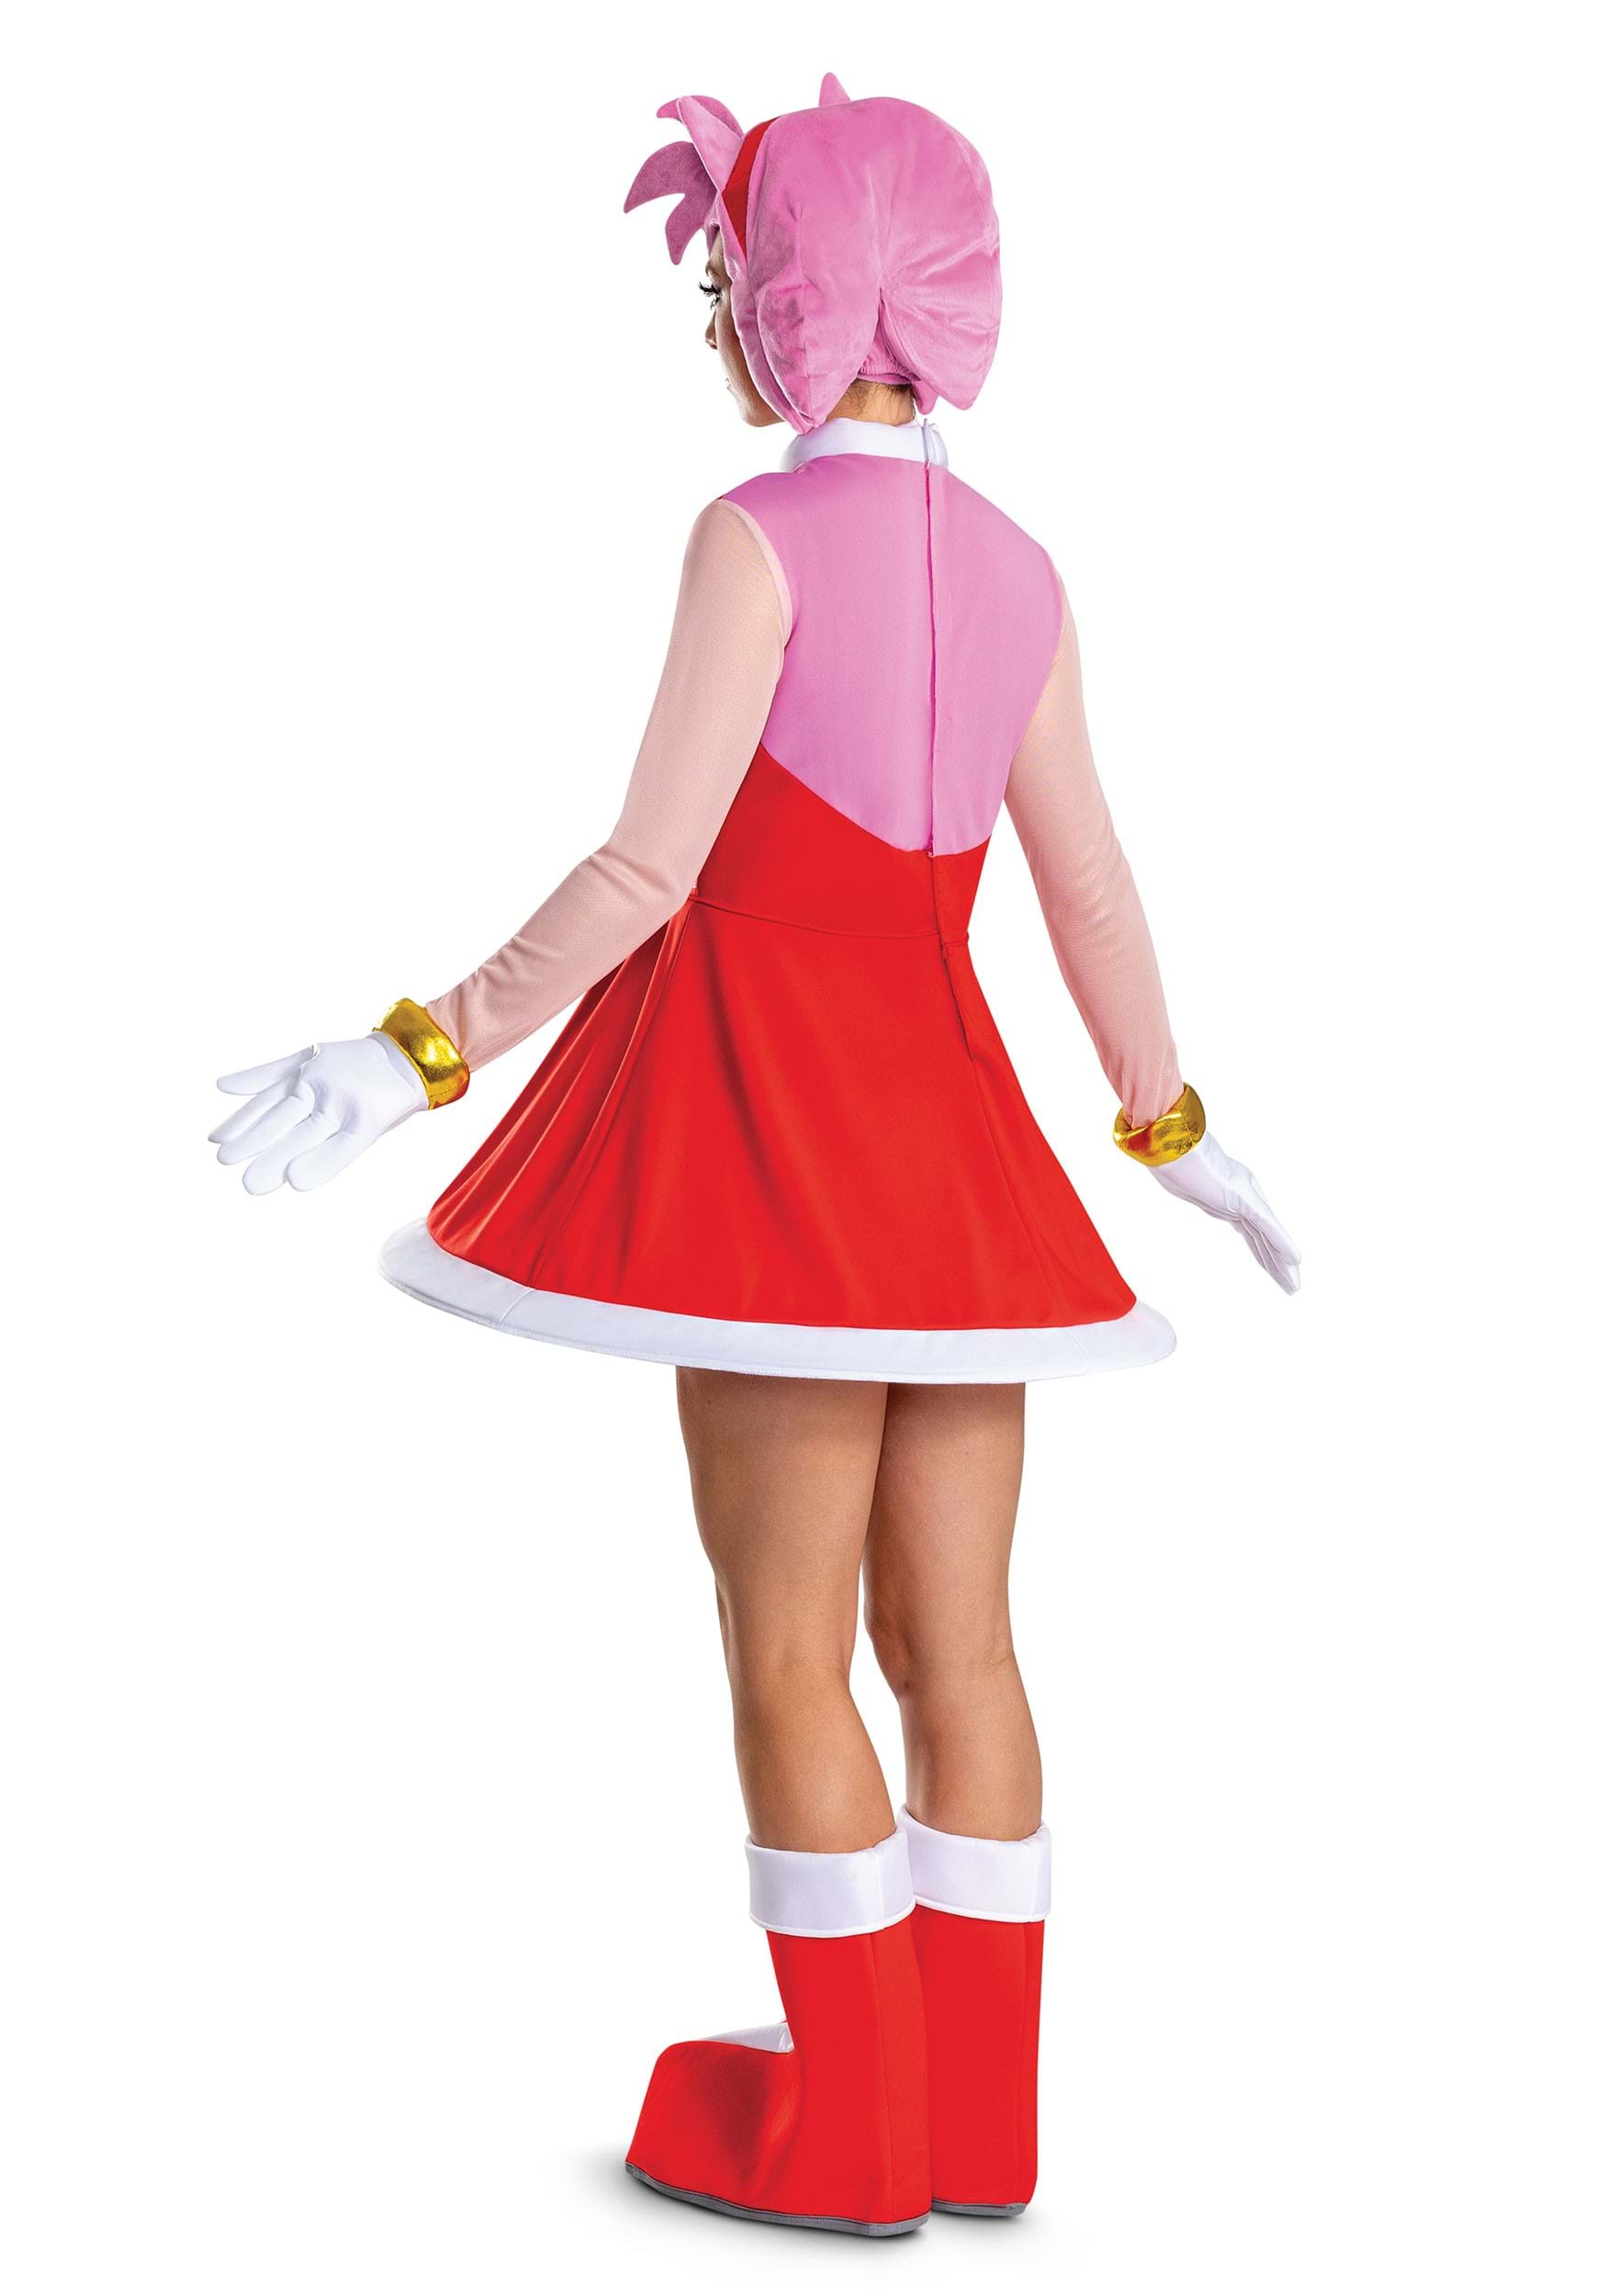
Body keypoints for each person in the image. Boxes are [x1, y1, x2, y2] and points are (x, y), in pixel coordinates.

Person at [210, 76, 1299, 2237]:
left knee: (785, 1645)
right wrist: (1168, 1123)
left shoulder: (752, 540)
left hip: (774, 1161)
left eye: (723, 279)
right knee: (961, 1643)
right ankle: (975, 2122)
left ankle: (854, 2134)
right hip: (960, 1178)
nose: (713, 323)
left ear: (789, 296)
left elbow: (643, 870)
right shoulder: (1019, 569)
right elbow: (1083, 885)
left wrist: (416, 1047)